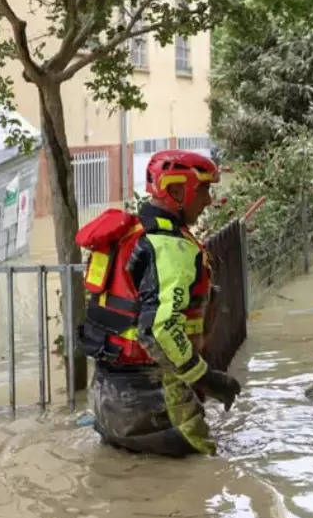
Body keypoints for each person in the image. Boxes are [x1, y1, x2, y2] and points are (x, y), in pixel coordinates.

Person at [75, 149, 242, 457]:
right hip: (153, 400)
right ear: (177, 190)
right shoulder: (171, 248)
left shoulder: (128, 235)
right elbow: (158, 330)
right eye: (204, 189)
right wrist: (207, 378)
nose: (208, 200)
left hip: (104, 399)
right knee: (208, 476)